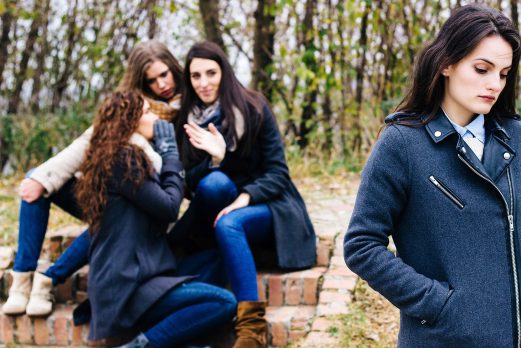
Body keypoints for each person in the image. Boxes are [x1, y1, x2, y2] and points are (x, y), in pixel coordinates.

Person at [343, 4, 521, 347]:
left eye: (503, 74)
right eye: (482, 69)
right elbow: (361, 245)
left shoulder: (517, 138)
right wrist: (438, 304)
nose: (494, 84)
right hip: (443, 338)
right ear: (446, 63)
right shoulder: (402, 144)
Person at [2, 41, 185, 317]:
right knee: (36, 179)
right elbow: (88, 141)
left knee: (114, 214)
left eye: (164, 74)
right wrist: (43, 178)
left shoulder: (187, 109)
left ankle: (49, 279)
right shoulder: (132, 106)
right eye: (152, 80)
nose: (161, 84)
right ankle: (23, 276)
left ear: (174, 67)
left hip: (149, 207)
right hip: (117, 195)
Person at [172, 41, 316, 348]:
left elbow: (278, 172)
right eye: (195, 76)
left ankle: (252, 331)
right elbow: (189, 186)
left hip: (269, 207)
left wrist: (245, 197)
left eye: (211, 73)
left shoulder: (253, 107)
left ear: (224, 71)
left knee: (230, 223)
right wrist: (215, 159)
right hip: (216, 210)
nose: (204, 83)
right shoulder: (187, 121)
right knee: (215, 184)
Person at [74, 90, 236, 347]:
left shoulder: (133, 158)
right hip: (128, 286)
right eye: (147, 113)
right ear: (129, 122)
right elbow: (170, 206)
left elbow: (172, 191)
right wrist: (171, 152)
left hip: (148, 273)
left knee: (218, 258)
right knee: (224, 302)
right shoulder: (123, 159)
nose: (155, 118)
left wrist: (213, 160)